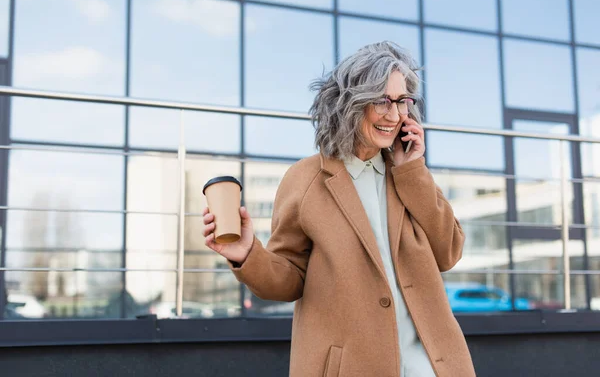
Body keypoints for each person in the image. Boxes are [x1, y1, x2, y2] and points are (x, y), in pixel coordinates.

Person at [202, 41, 475, 377]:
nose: (394, 115)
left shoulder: (408, 171)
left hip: (431, 367)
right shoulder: (305, 178)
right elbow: (288, 281)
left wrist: (413, 172)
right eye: (381, 101)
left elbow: (449, 252)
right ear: (350, 104)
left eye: (403, 101)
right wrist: (248, 254)